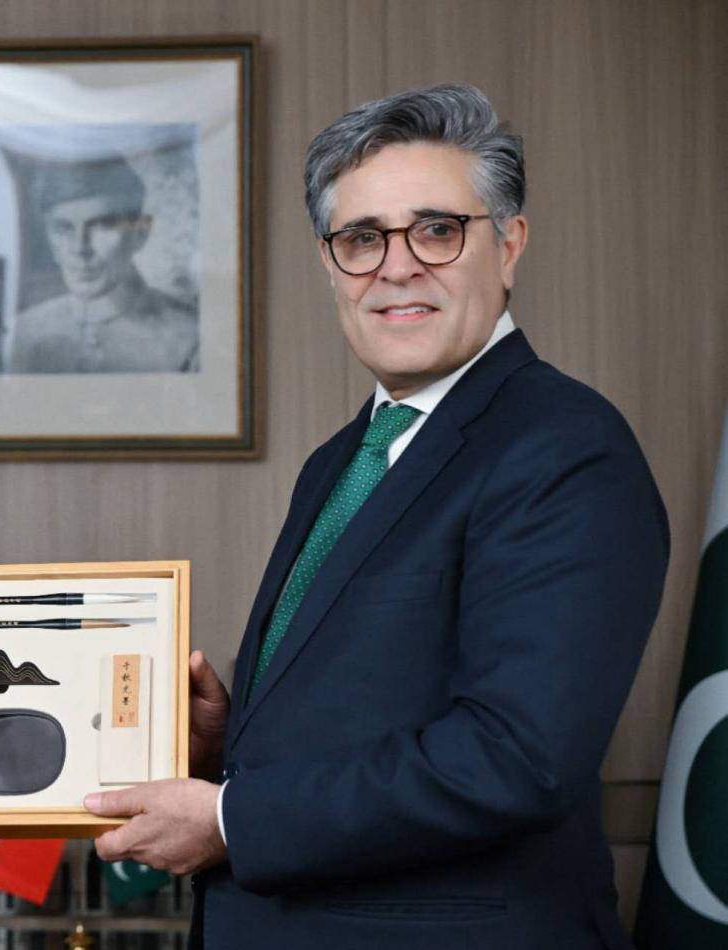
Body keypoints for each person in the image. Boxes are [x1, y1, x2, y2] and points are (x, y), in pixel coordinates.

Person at [84, 84, 669, 949]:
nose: (397, 267)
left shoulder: (566, 447)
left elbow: (516, 757)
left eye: (436, 229)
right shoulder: (345, 457)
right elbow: (378, 700)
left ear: (509, 245)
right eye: (362, 238)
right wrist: (229, 741)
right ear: (331, 266)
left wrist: (237, 817)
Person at [4, 155, 198, 374]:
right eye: (63, 228)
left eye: (102, 226)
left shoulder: (190, 340)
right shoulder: (21, 334)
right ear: (49, 238)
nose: (80, 248)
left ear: (140, 233)